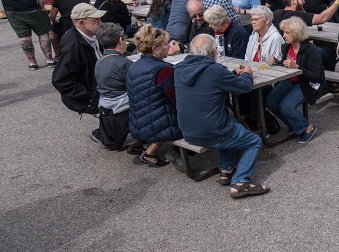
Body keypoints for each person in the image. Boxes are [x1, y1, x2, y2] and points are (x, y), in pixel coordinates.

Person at [174, 34, 269, 198]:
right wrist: (246, 74)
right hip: (213, 131)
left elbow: (207, 80)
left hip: (187, 130)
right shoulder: (215, 70)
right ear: (212, 53)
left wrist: (231, 72)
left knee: (230, 124)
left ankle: (226, 169)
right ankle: (241, 182)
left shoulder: (179, 69)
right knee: (253, 141)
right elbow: (244, 87)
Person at [124, 24, 182, 166]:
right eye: (165, 44)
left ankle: (137, 143)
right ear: (155, 49)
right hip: (158, 123)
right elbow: (175, 99)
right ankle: (151, 152)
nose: (169, 46)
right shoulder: (163, 70)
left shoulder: (134, 65)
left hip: (136, 120)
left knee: (149, 103)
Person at [266, 17, 325, 143]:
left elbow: (315, 76)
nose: (284, 35)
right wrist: (277, 62)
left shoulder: (310, 49)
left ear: (297, 33)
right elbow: (287, 64)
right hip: (293, 80)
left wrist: (297, 67)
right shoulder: (287, 47)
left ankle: (307, 127)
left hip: (309, 83)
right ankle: (294, 125)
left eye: (287, 33)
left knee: (286, 106)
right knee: (270, 102)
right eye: (283, 32)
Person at [52, 2, 105, 115]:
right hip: (93, 93)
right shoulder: (73, 45)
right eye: (96, 20)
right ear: (81, 23)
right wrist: (89, 96)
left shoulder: (90, 35)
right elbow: (60, 79)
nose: (101, 23)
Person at [90, 23, 132, 151]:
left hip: (106, 105)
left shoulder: (100, 61)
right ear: (121, 40)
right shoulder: (124, 63)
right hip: (123, 108)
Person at [272, 0, 339, 30]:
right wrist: (337, 2)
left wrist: (300, 7)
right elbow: (321, 18)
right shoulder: (297, 16)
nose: (303, 1)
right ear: (293, 1)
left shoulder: (276, 13)